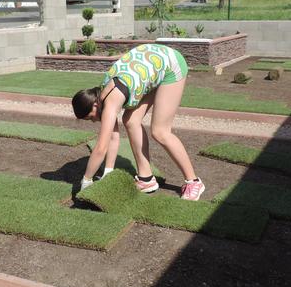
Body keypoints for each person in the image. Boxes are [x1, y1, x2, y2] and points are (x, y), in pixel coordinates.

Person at [72, 43, 205, 201]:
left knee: (160, 131)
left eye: (90, 117)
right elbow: (113, 137)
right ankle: (146, 179)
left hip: (170, 65)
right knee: (131, 120)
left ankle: (194, 182)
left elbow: (101, 148)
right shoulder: (102, 94)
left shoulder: (110, 102)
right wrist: (108, 171)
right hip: (153, 66)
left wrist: (86, 180)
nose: (94, 121)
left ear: (94, 105)